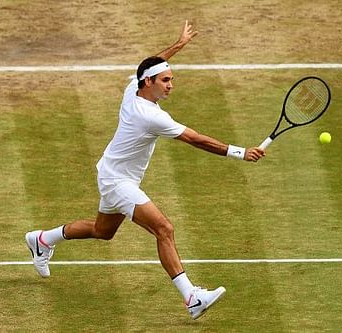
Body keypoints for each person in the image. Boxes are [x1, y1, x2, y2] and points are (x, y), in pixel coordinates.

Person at [25, 21, 265, 320]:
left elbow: (148, 63)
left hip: (111, 172)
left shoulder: (133, 89)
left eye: (171, 78)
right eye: (165, 80)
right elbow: (195, 139)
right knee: (164, 229)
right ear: (149, 83)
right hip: (118, 181)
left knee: (103, 231)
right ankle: (192, 297)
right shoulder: (151, 117)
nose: (171, 85)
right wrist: (241, 152)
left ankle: (43, 239)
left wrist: (178, 45)